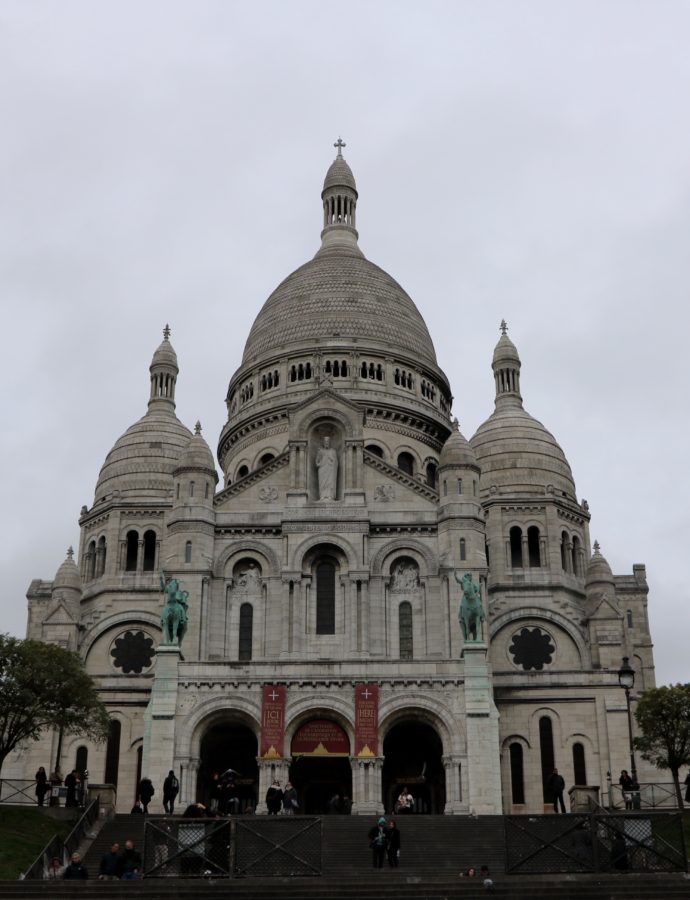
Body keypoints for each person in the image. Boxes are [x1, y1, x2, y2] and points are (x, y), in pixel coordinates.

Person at [315, 435, 338, 500]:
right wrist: (319, 464)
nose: (326, 443)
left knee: (330, 482)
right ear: (323, 443)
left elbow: (336, 462)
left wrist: (332, 460)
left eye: (328, 441)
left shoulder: (333, 451)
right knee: (322, 483)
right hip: (322, 469)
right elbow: (317, 460)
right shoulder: (320, 451)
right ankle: (322, 495)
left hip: (330, 469)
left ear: (329, 443)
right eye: (325, 442)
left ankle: (330, 495)